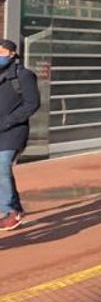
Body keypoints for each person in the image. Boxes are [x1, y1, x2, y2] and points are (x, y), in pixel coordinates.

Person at [0, 39, 40, 232]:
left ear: (12, 54)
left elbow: (32, 103)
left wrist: (8, 121)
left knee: (1, 166)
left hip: (14, 131)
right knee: (3, 171)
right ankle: (15, 208)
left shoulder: (23, 75)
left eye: (1, 52)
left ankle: (10, 212)